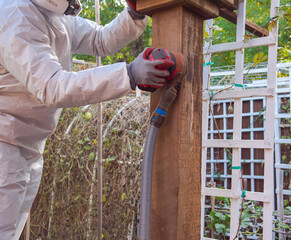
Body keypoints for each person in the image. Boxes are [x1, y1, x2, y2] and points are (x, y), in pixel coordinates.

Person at [0, 0, 174, 239]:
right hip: (4, 146)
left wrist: (132, 14)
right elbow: (53, 86)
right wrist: (128, 74)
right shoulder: (14, 16)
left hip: (26, 144)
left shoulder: (52, 14)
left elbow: (99, 40)